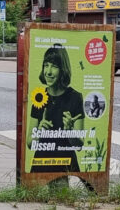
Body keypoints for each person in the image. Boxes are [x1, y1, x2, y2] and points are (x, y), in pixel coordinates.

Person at [26, 44, 84, 173]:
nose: (48, 72)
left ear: (63, 69)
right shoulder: (39, 96)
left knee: (61, 191)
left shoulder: (75, 97)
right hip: (41, 162)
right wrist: (39, 132)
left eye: (54, 66)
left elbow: (79, 145)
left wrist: (70, 131)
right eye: (46, 65)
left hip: (65, 163)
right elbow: (30, 144)